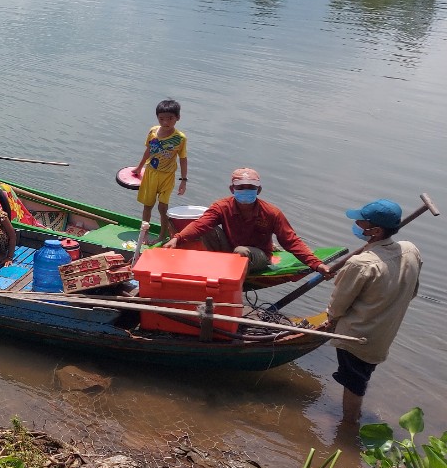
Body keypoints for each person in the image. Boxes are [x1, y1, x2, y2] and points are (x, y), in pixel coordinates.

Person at [322, 199, 422, 424]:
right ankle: (350, 422)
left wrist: (331, 320)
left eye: (360, 222)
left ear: (374, 231)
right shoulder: (410, 250)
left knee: (354, 383)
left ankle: (348, 425)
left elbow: (338, 304)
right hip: (384, 333)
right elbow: (412, 291)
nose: (356, 224)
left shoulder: (362, 263)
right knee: (362, 376)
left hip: (356, 335)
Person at [163, 167, 332, 277]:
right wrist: (177, 238)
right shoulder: (222, 206)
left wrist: (316, 264)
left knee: (241, 251)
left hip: (258, 255)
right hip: (231, 249)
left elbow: (291, 241)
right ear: (232, 189)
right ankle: (220, 263)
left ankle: (230, 276)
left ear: (258, 190)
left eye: (250, 188)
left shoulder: (271, 213)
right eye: (241, 188)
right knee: (207, 228)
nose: (246, 191)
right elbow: (201, 225)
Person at [131, 99, 188, 242]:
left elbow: (183, 158)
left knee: (163, 208)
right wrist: (139, 168)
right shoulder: (153, 132)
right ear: (157, 118)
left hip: (168, 176)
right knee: (148, 206)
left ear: (177, 118)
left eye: (170, 119)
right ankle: (144, 235)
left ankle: (162, 236)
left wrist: (183, 180)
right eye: (161, 119)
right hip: (151, 173)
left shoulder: (180, 138)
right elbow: (148, 151)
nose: (165, 122)